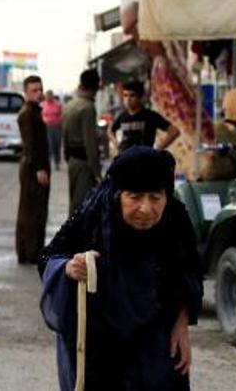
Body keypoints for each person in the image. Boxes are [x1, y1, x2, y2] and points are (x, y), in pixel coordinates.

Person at [38, 147, 203, 390]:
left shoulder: (175, 218)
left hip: (156, 338)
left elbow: (191, 273)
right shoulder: (93, 214)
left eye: (156, 198)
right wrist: (69, 268)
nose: (146, 208)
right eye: (135, 197)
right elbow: (48, 256)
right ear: (118, 195)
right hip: (100, 342)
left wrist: (182, 322)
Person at [16, 76, 51, 265]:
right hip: (32, 168)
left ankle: (32, 250)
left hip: (35, 166)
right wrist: (39, 168)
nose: (38, 94)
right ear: (26, 92)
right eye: (34, 91)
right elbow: (30, 144)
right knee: (31, 212)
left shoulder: (35, 112)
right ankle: (30, 252)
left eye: (40, 89)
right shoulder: (27, 113)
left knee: (36, 210)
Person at [62, 69, 102, 214]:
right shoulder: (87, 108)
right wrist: (97, 172)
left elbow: (64, 135)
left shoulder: (69, 105)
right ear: (95, 87)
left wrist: (68, 157)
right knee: (82, 206)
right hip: (84, 163)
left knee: (74, 202)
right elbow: (90, 143)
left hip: (73, 160)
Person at [109, 79, 179, 156]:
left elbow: (174, 131)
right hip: (125, 157)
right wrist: (117, 145)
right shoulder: (123, 116)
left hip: (143, 158)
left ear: (140, 97)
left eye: (132, 95)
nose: (128, 99)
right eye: (125, 95)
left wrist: (158, 149)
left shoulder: (150, 116)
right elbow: (110, 130)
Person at [42, 89, 64, 170]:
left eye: (50, 95)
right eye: (47, 96)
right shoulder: (43, 105)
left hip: (56, 126)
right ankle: (47, 162)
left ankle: (57, 162)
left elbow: (62, 115)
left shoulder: (58, 104)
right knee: (49, 145)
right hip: (47, 127)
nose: (48, 97)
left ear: (52, 96)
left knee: (57, 145)